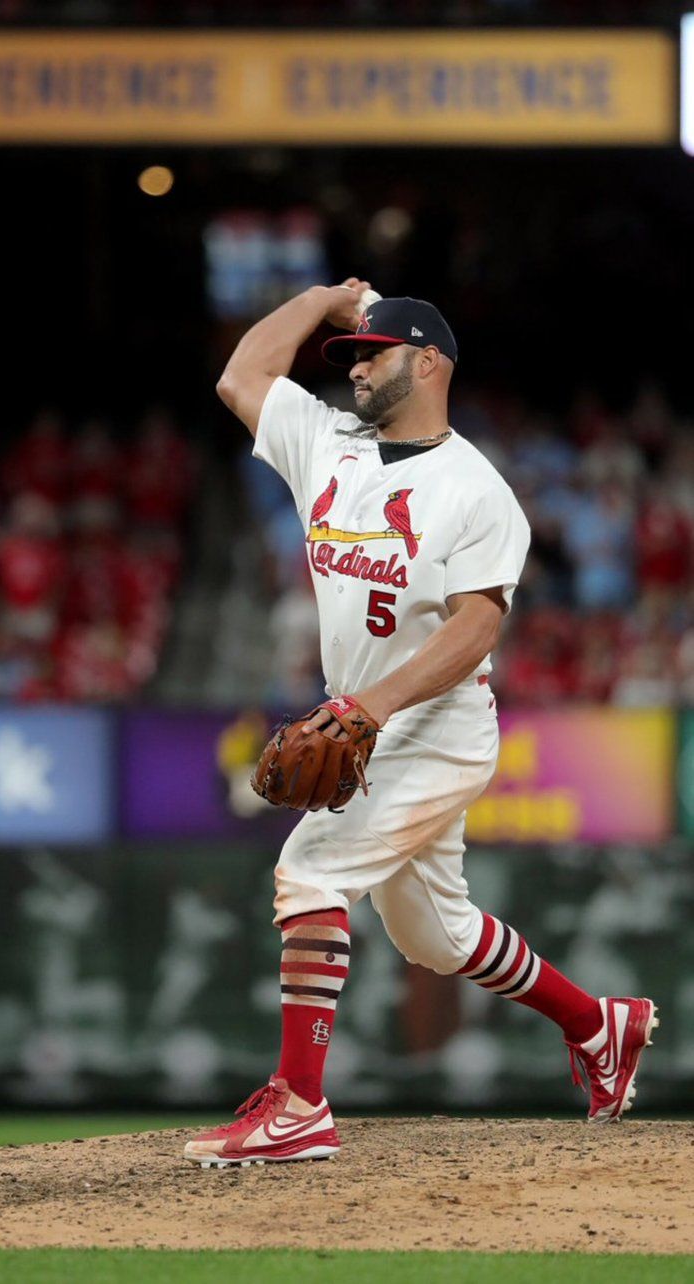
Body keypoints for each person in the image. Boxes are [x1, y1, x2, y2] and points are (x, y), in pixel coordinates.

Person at [184, 280, 658, 1168]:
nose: (356, 368)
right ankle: (598, 1023)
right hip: (364, 721)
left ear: (430, 362)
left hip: (435, 722)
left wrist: (369, 708)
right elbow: (240, 376)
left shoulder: (475, 490)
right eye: (351, 356)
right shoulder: (327, 444)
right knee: (436, 937)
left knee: (310, 870)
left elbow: (476, 628)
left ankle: (299, 1105)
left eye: (376, 353)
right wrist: (321, 300)